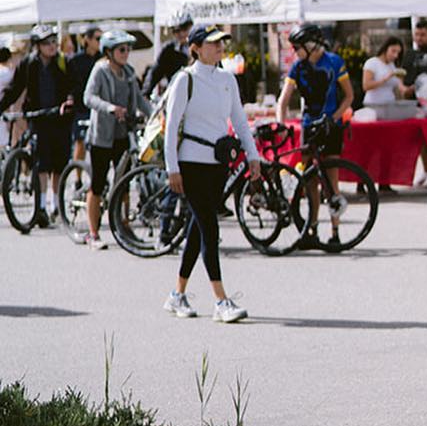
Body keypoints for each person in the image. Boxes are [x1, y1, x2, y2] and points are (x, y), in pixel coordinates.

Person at [162, 25, 262, 322]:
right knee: (209, 227)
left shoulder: (227, 78)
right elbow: (171, 127)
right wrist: (172, 167)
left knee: (198, 228)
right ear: (196, 48)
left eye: (222, 43)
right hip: (190, 163)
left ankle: (177, 294)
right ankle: (221, 300)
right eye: (213, 43)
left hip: (219, 163)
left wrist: (253, 156)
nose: (220, 48)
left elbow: (240, 122)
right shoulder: (185, 80)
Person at [276, 24, 354, 247]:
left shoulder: (334, 61)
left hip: (330, 126)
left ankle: (335, 230)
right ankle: (311, 230)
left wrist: (335, 117)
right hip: (309, 125)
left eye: (297, 47)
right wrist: (281, 124)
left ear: (310, 45)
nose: (295, 52)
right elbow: (283, 100)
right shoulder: (298, 67)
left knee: (331, 180)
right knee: (309, 182)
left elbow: (349, 96)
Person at [83, 30, 147, 248]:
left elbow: (139, 100)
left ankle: (123, 225)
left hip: (122, 135)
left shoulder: (128, 72)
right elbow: (88, 97)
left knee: (125, 183)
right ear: (109, 52)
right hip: (102, 136)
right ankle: (93, 233)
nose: (126, 53)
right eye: (122, 49)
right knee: (98, 184)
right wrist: (110, 108)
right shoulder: (100, 70)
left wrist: (158, 114)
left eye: (128, 49)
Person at [6, 25, 75, 226]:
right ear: (37, 46)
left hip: (60, 117)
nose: (52, 46)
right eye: (46, 43)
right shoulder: (29, 64)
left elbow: (73, 85)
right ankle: (42, 206)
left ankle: (56, 204)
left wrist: (69, 101)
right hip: (39, 118)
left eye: (54, 41)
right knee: (42, 162)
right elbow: (16, 88)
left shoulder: (63, 62)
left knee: (59, 163)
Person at [67, 25, 102, 171]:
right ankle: (78, 177)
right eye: (97, 38)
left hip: (98, 107)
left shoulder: (103, 59)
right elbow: (69, 83)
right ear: (87, 39)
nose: (100, 41)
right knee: (80, 142)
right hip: (81, 107)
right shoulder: (76, 60)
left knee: (98, 144)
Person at [359, 34, 409, 116]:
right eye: (393, 51)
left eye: (398, 53)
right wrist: (385, 79)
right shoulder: (372, 63)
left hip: (390, 105)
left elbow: (399, 86)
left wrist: (407, 90)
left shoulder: (393, 65)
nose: (395, 55)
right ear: (386, 49)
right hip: (373, 106)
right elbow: (366, 86)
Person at [145, 15, 192, 97]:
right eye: (176, 31)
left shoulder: (203, 45)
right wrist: (146, 93)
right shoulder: (169, 50)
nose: (181, 34)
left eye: (184, 29)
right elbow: (156, 72)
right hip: (178, 94)